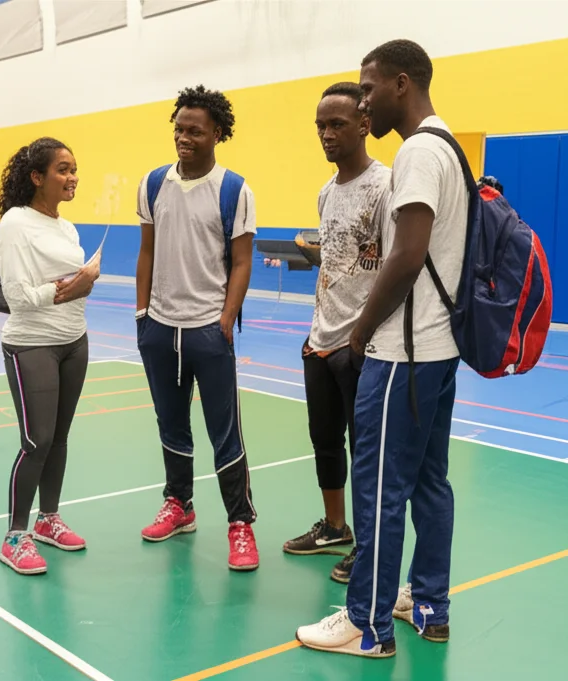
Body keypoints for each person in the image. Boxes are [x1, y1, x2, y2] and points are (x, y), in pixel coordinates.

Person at [296, 39, 467, 656]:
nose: (363, 101)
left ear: (401, 84)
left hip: (403, 352)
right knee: (429, 482)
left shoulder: (417, 152)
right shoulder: (449, 144)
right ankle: (429, 603)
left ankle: (367, 625)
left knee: (377, 491)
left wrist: (361, 329)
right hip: (439, 349)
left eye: (368, 89)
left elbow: (408, 253)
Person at [134, 85, 259, 571]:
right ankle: (179, 504)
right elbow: (147, 250)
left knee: (224, 431)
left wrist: (226, 317)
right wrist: (142, 314)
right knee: (170, 422)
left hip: (209, 329)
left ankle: (240, 523)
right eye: (179, 129)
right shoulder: (153, 184)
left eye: (195, 131)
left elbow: (242, 261)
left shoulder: (234, 190)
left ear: (217, 134)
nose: (184, 138)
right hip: (160, 328)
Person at [282, 83, 391, 587]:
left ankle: (368, 547)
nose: (326, 134)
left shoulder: (385, 186)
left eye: (337, 124)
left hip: (362, 345)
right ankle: (334, 527)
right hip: (319, 340)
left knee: (364, 450)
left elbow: (394, 265)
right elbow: (343, 260)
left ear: (364, 125)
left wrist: (362, 337)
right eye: (320, 126)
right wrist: (315, 256)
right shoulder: (327, 192)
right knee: (325, 441)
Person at [0, 137, 99, 576]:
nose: (72, 177)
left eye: (74, 169)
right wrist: (69, 289)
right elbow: (17, 297)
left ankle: (48, 520)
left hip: (74, 340)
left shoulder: (67, 228)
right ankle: (15, 536)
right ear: (37, 177)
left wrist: (82, 282)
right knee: (37, 440)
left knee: (59, 438)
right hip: (31, 344)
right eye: (63, 169)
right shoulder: (16, 223)